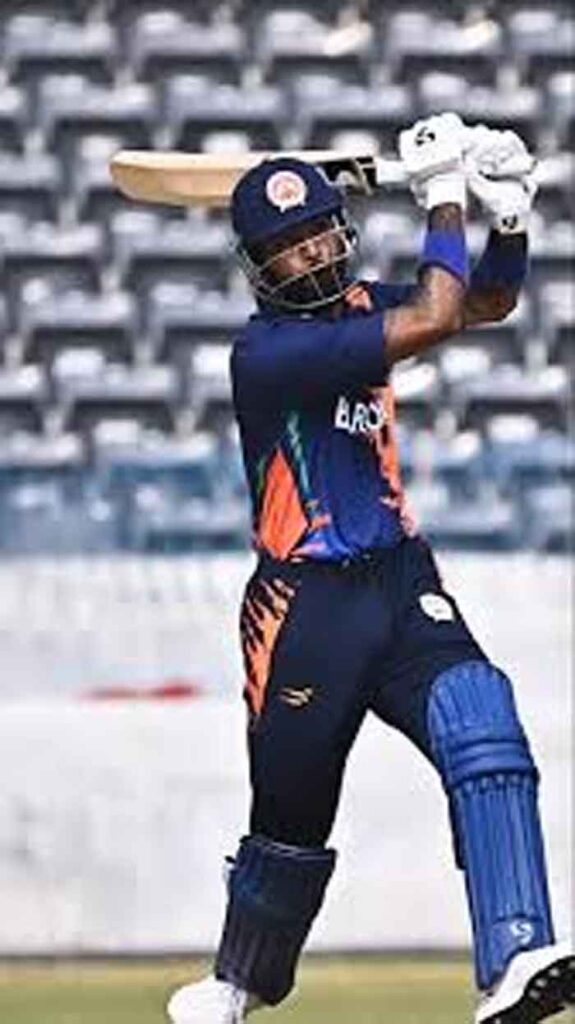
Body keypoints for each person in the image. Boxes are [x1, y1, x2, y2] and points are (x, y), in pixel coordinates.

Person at [166, 113, 574, 1024]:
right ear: (258, 267)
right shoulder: (266, 353)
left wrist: (508, 215)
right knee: (290, 819)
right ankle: (240, 980)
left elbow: (483, 304)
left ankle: (515, 955)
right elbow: (433, 313)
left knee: (484, 722)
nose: (310, 254)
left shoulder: (356, 308)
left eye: (318, 232)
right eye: (288, 247)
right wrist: (442, 197)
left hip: (397, 578)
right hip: (306, 606)